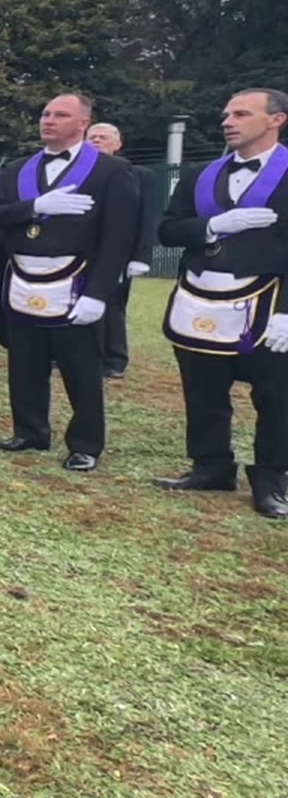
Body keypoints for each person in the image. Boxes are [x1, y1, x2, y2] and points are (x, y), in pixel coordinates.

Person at [0, 94, 137, 472]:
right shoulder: (19, 168)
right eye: (45, 113)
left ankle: (85, 443)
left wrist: (99, 293)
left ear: (83, 122)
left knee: (80, 365)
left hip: (77, 278)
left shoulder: (110, 171)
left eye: (60, 114)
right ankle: (30, 430)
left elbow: (119, 236)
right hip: (23, 276)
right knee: (24, 361)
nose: (48, 120)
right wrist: (34, 208)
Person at [153, 88, 288, 518]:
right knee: (203, 390)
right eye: (226, 113)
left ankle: (271, 478)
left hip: (269, 300)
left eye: (241, 114)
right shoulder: (199, 173)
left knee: (276, 395)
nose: (228, 121)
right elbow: (169, 231)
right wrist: (212, 225)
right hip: (202, 297)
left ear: (276, 120)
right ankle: (210, 466)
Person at [85, 122, 157, 378]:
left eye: (103, 137)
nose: (96, 141)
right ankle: (81, 353)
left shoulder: (139, 174)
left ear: (118, 144)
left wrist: (141, 255)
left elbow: (147, 216)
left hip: (119, 253)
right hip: (81, 251)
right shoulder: (77, 172)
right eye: (91, 137)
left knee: (113, 304)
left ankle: (114, 359)